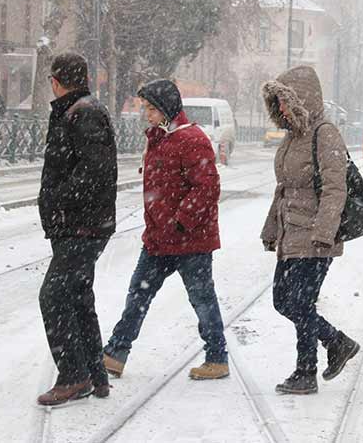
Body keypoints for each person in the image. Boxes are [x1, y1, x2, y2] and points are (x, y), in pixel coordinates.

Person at [103, 79, 229, 381]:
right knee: (138, 295)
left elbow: (207, 187)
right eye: (145, 108)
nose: (146, 114)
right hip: (159, 239)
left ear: (167, 109)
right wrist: (162, 225)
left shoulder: (192, 139)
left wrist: (180, 222)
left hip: (190, 240)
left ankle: (217, 358)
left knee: (202, 299)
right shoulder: (159, 138)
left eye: (151, 108)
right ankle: (114, 355)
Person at [260, 65, 360, 395]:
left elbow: (336, 187)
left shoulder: (324, 132)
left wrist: (324, 232)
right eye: (278, 103)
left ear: (303, 99)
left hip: (316, 237)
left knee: (301, 304)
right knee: (283, 301)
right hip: (292, 235)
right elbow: (284, 189)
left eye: (286, 102)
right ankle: (336, 342)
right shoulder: (292, 137)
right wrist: (271, 228)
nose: (282, 109)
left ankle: (306, 372)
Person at [37, 52, 118, 406]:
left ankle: (73, 375)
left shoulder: (82, 112)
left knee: (53, 296)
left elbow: (95, 172)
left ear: (56, 81)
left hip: (82, 226)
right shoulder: (79, 110)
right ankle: (95, 376)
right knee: (78, 298)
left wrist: (58, 200)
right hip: (79, 225)